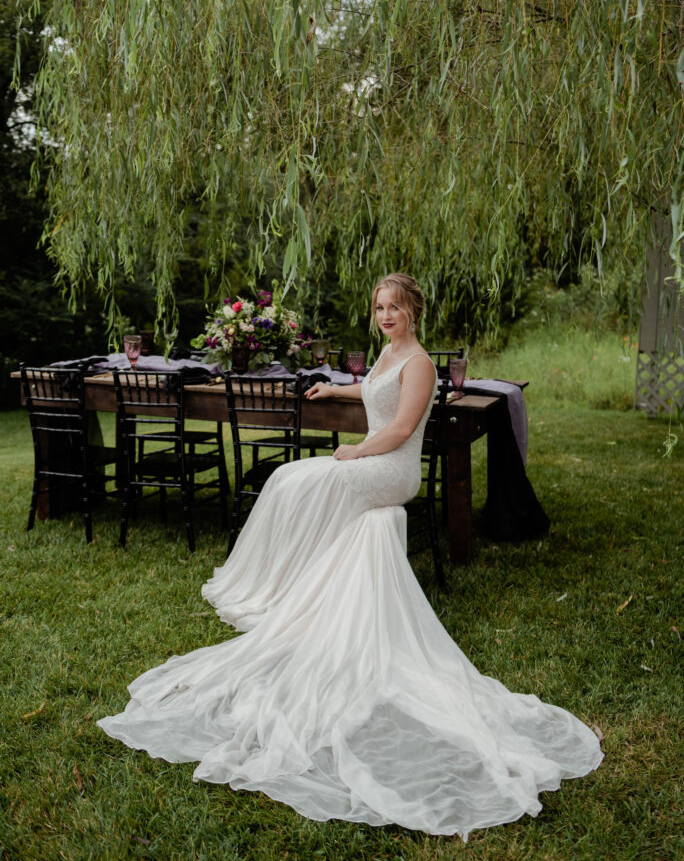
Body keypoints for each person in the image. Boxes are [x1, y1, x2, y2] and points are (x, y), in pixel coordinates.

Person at [98, 273, 603, 840]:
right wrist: (333, 392)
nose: (386, 316)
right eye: (380, 307)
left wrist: (356, 450)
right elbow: (374, 396)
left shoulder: (421, 364)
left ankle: (272, 583)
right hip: (372, 459)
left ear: (413, 309)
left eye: (395, 308)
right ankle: (281, 581)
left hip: (391, 469)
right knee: (290, 477)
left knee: (300, 480)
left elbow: (404, 426)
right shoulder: (389, 354)